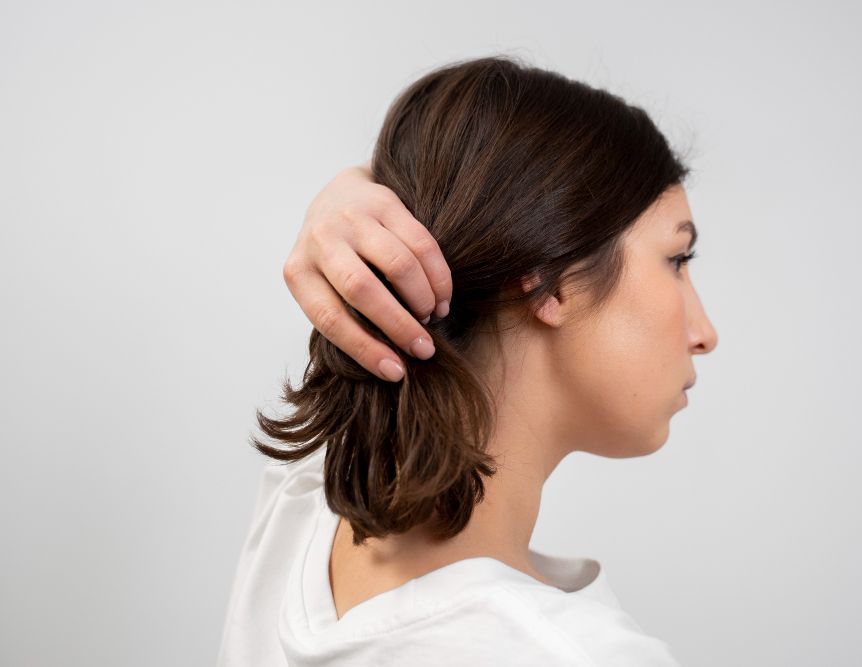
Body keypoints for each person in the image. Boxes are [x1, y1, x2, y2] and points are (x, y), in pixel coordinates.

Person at [217, 54, 718, 666]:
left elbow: (439, 180)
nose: (705, 334)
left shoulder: (301, 506)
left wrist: (346, 198)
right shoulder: (574, 654)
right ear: (552, 283)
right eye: (676, 260)